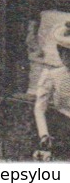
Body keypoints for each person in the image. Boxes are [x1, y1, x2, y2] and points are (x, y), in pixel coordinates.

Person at [36, 22, 70, 161]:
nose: (67, 57)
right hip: (63, 131)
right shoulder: (52, 76)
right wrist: (44, 135)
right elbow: (39, 109)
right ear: (59, 51)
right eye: (65, 52)